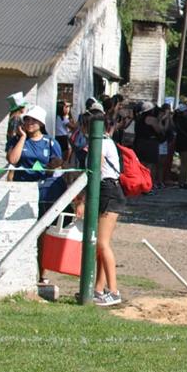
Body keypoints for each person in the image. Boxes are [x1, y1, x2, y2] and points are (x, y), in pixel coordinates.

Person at [6, 104, 65, 284]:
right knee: (20, 230)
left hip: (44, 190)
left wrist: (52, 166)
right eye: (27, 120)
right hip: (22, 188)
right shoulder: (17, 140)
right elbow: (13, 160)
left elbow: (59, 161)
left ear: (40, 123)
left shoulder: (50, 142)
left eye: (33, 120)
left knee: (42, 232)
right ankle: (15, 270)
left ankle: (42, 273)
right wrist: (22, 138)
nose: (29, 123)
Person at [83, 112, 126, 306]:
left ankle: (114, 291)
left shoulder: (102, 143)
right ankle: (98, 289)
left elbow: (96, 168)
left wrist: (83, 198)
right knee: (100, 246)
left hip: (109, 190)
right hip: (104, 190)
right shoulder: (103, 142)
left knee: (102, 243)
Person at [172, 101, 187, 188]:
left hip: (180, 143)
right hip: (186, 142)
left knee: (184, 163)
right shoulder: (185, 120)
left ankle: (182, 182)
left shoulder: (176, 119)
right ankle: (182, 182)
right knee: (185, 164)